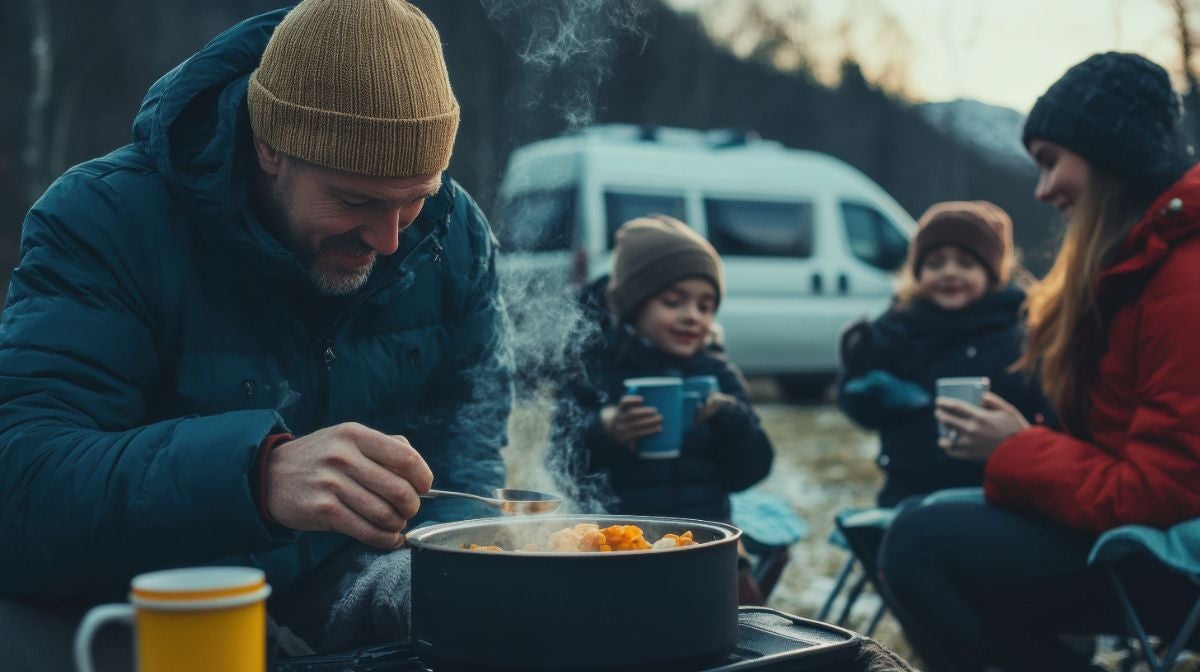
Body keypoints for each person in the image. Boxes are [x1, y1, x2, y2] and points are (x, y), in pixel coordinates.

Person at [0, 0, 512, 666]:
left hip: (339, 608)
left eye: (414, 199)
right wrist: (255, 474)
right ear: (269, 146)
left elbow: (465, 460)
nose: (389, 241)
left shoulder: (454, 236)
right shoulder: (106, 220)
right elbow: (21, 486)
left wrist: (413, 575)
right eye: (355, 201)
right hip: (150, 616)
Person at [877, 52, 1200, 672]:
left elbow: (1160, 489)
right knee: (920, 521)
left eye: (1051, 161)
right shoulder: (1143, 264)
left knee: (918, 546)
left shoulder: (1183, 279)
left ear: (1110, 154)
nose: (1043, 189)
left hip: (1167, 558)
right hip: (1131, 536)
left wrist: (1017, 447)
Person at [548, 215, 774, 524]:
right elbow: (559, 464)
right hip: (616, 544)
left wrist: (732, 420)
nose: (692, 316)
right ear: (635, 304)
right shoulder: (595, 368)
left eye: (705, 306)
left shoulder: (718, 373)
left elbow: (750, 473)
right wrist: (605, 429)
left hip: (699, 543)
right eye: (673, 301)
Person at [837, 200, 1053, 507]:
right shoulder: (896, 328)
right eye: (935, 263)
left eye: (966, 263)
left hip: (993, 489)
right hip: (909, 486)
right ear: (916, 272)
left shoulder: (1015, 334)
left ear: (993, 274)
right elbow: (862, 410)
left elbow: (1041, 408)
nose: (949, 272)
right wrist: (858, 374)